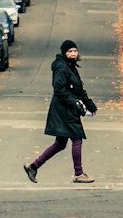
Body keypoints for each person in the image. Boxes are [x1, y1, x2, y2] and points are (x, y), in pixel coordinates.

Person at [24, 40, 98, 184]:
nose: (73, 53)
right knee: (77, 138)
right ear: (64, 53)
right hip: (64, 109)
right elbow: (59, 89)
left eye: (75, 51)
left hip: (67, 109)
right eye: (70, 51)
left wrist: (91, 106)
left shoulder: (71, 67)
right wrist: (74, 102)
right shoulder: (62, 68)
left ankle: (33, 167)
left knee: (60, 143)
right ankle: (79, 173)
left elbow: (79, 90)